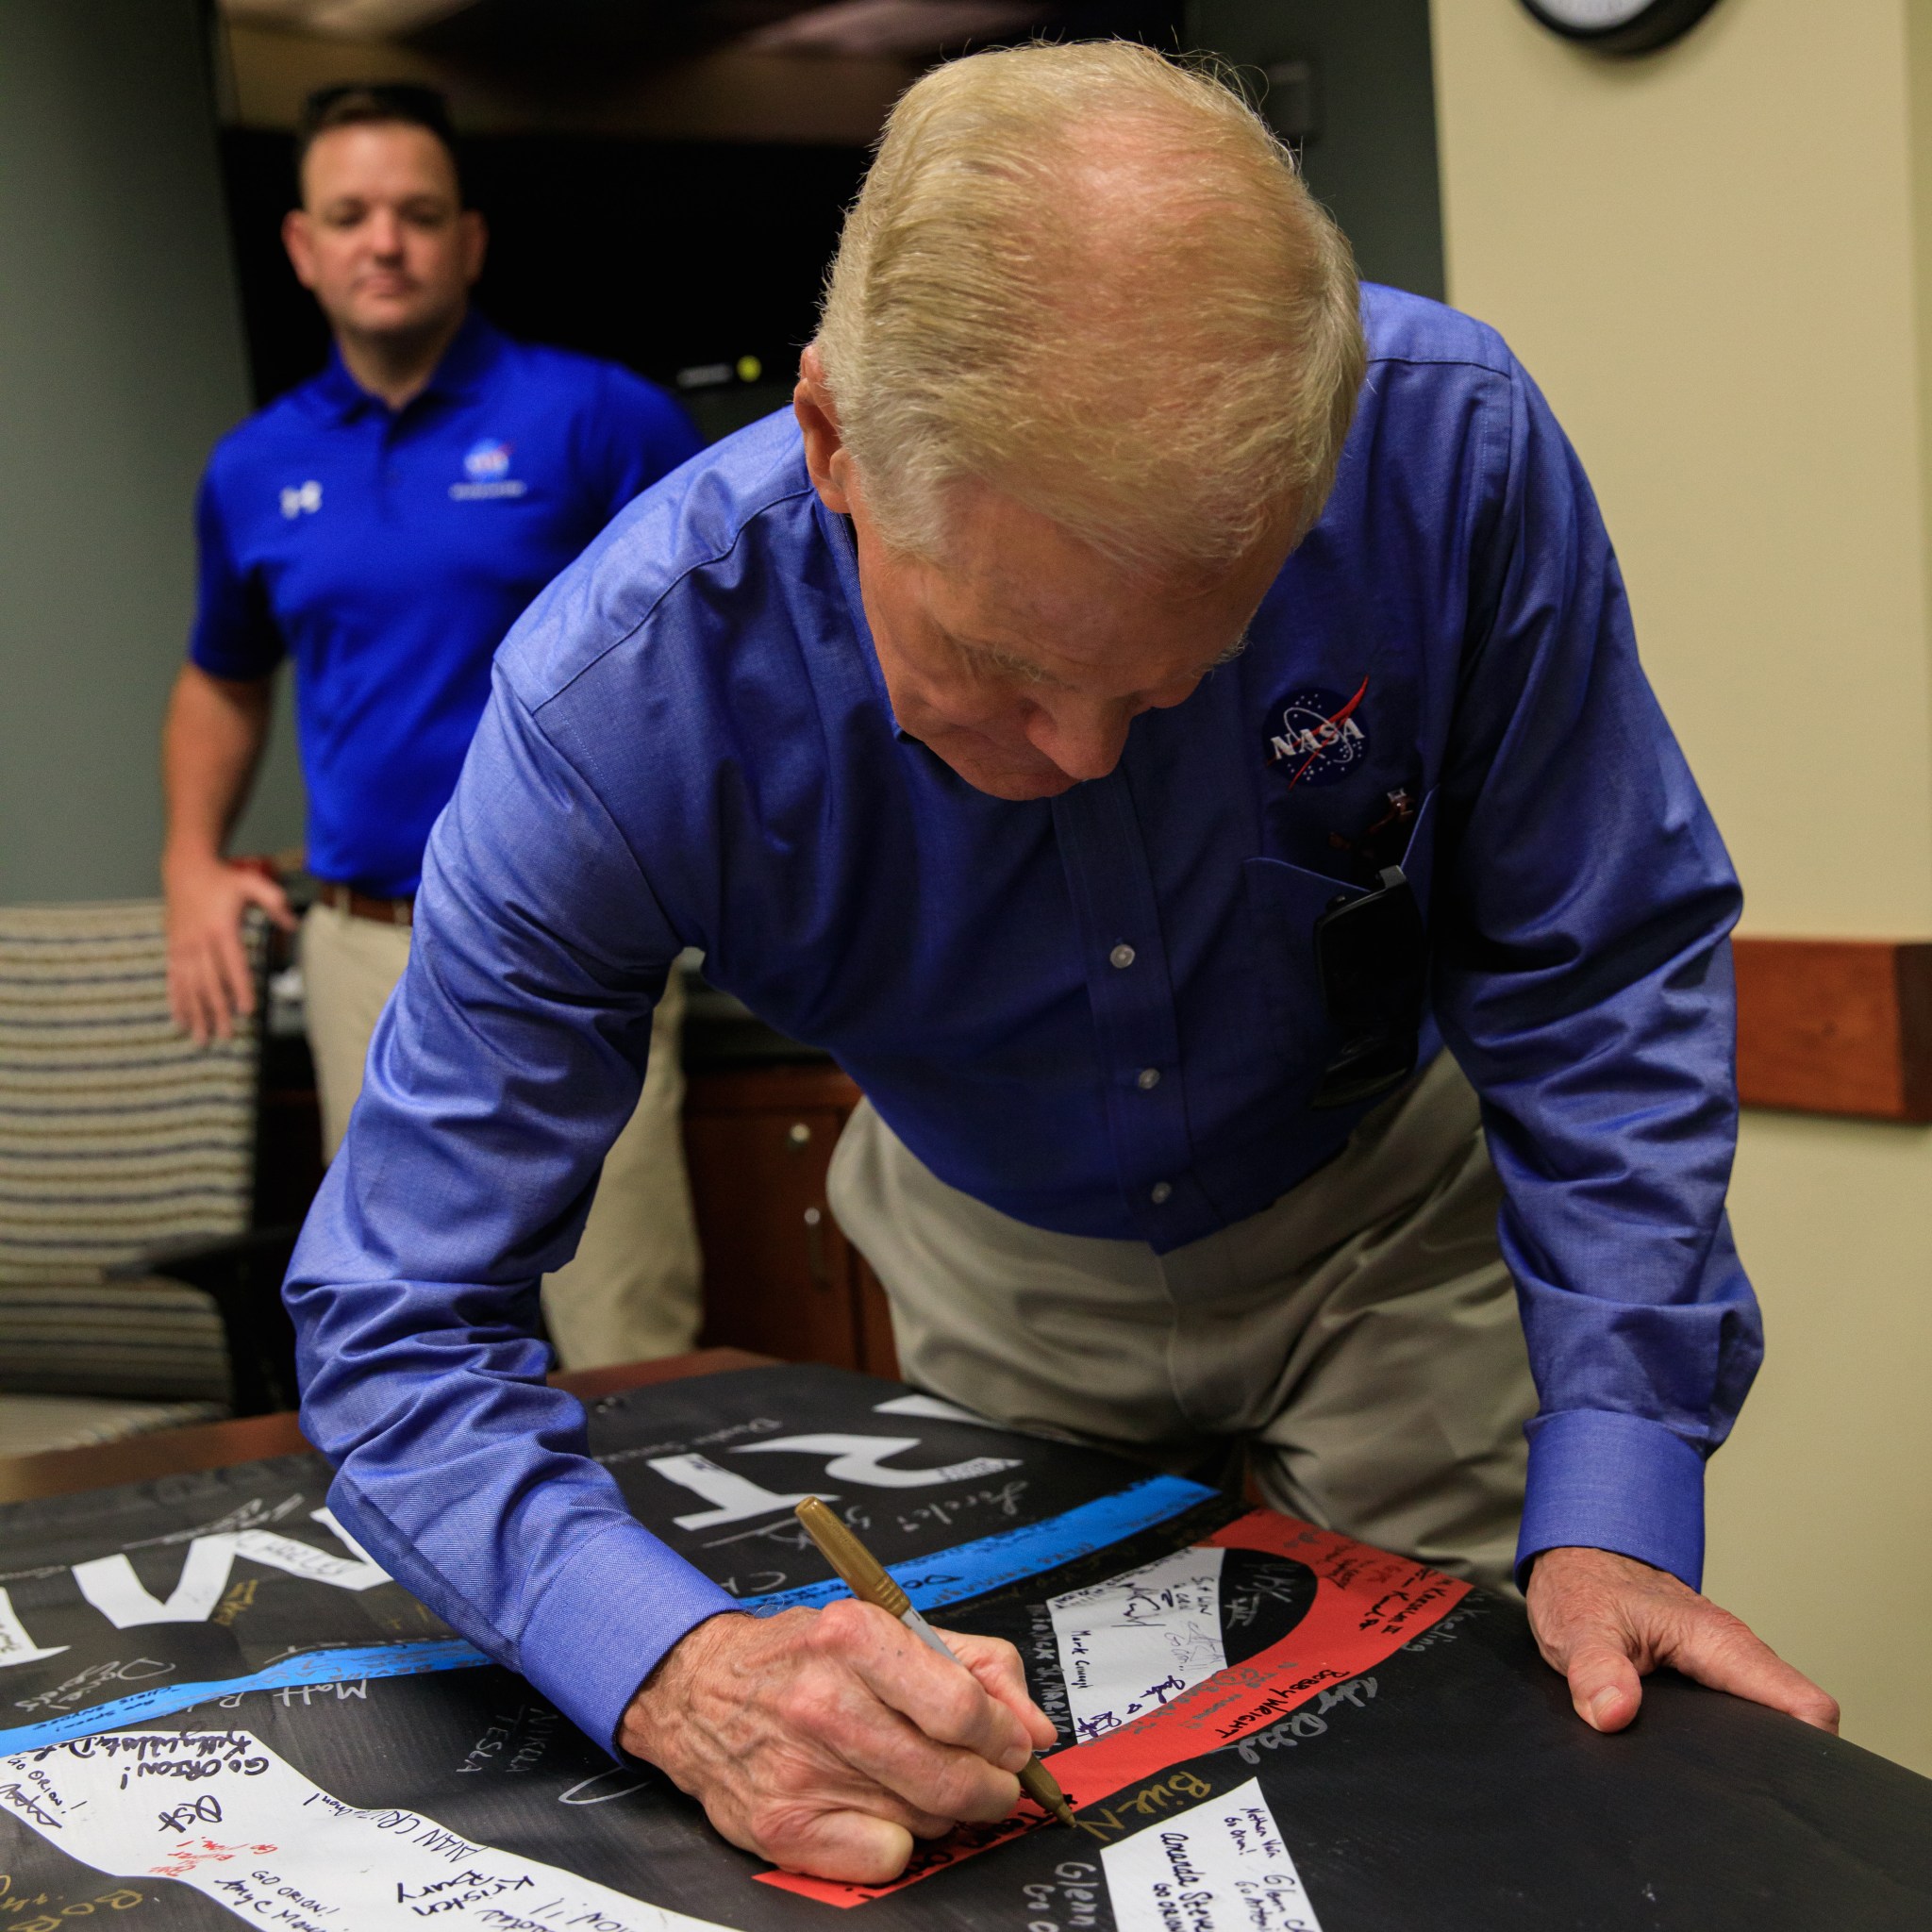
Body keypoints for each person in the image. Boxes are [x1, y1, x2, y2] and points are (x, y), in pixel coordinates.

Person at [285, 42, 1838, 1887]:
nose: (1086, 756)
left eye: (1180, 674)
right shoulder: (621, 699)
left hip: (1390, 1230)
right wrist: (682, 1667)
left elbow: (1593, 967)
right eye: (1004, 672)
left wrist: (1620, 1474)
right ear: (834, 442)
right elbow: (397, 1319)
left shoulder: (1443, 449)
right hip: (1000, 1272)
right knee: (1048, 1851)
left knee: (1467, 1828)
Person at [162, 84, 705, 1369]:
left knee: (626, 1333)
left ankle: (681, 1578)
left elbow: (722, 645)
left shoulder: (598, 420)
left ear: (469, 239)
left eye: (417, 213)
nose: (384, 242)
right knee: (416, 1333)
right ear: (303, 247)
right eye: (350, 216)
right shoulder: (252, 470)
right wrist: (190, 855)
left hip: (583, 945)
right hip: (369, 954)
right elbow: (222, 677)